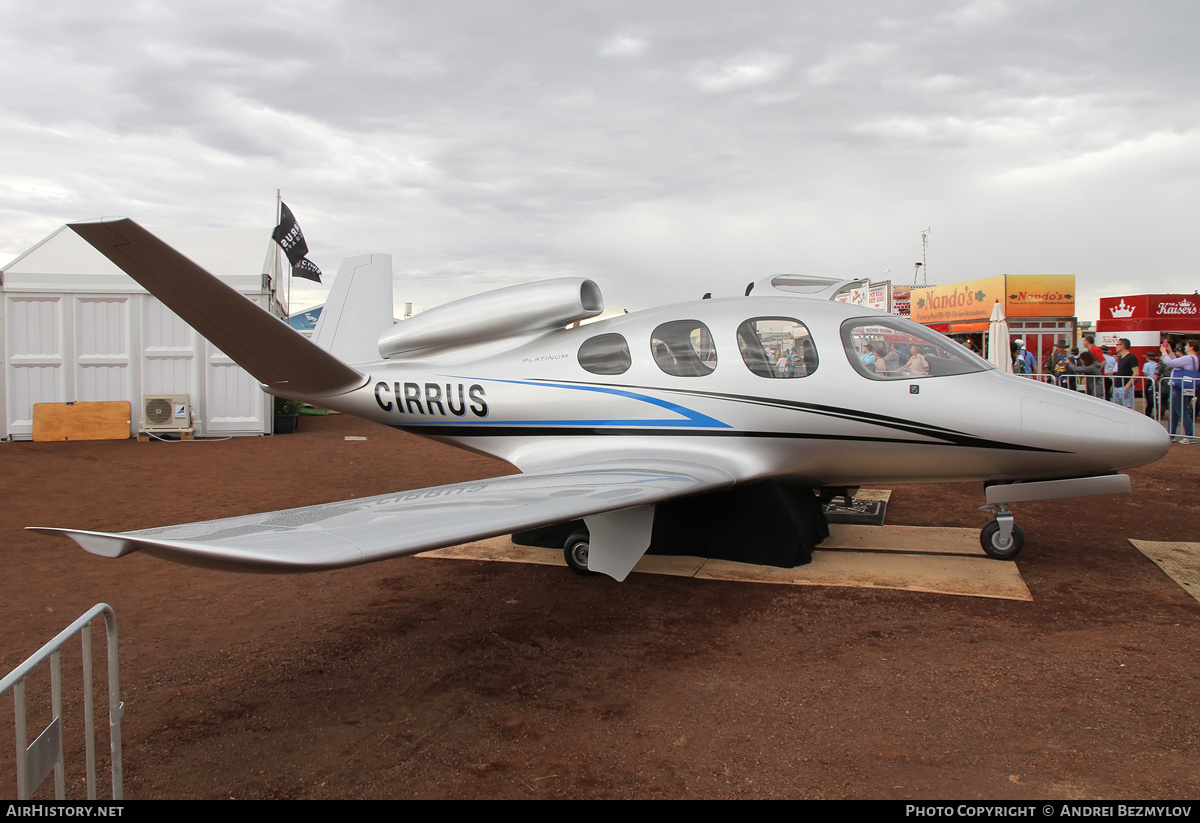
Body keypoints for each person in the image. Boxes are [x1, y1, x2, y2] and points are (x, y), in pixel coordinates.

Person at [1160, 338, 1200, 443]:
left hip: (1178, 386)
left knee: (1181, 411)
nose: (1185, 347)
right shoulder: (1193, 358)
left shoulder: (1189, 358)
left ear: (1191, 347)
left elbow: (1170, 363)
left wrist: (1164, 353)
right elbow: (1176, 361)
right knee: (1174, 411)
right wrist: (1170, 351)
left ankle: (1189, 436)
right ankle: (1171, 433)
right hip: (1182, 386)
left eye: (1187, 345)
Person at [1111, 338, 1139, 409]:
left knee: (1127, 407)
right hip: (1118, 386)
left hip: (1125, 386)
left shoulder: (1131, 357)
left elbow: (1136, 373)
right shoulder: (1120, 358)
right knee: (1117, 408)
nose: (1116, 346)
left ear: (1123, 346)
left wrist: (1127, 386)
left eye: (1117, 344)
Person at [1142, 351, 1161, 418]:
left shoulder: (1146, 364)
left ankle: (1148, 413)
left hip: (1150, 380)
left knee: (1148, 397)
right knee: (1156, 397)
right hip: (1157, 381)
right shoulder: (1157, 364)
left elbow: (1145, 373)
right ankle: (1158, 413)